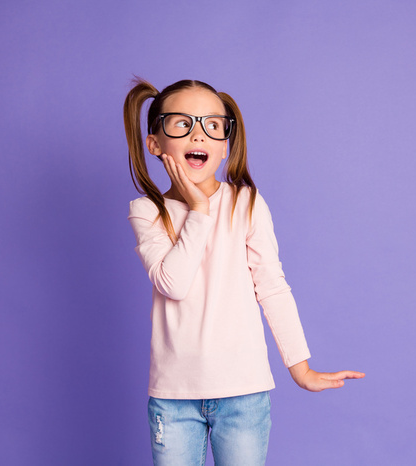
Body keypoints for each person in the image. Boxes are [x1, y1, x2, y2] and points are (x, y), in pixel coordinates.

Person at [123, 78, 365, 465]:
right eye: (182, 124)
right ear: (155, 143)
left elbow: (272, 285)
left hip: (244, 392)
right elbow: (174, 283)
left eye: (212, 126)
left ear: (223, 146)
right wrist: (198, 209)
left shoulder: (246, 203)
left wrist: (300, 368)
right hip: (172, 396)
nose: (198, 134)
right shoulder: (147, 211)